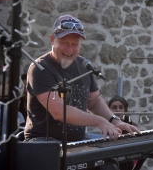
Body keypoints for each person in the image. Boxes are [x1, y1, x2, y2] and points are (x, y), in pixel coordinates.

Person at [24, 15, 140, 143]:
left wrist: (116, 121)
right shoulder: (40, 68)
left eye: (75, 44)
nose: (70, 49)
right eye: (64, 43)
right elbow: (58, 111)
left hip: (78, 141)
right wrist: (99, 121)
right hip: (44, 141)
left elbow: (95, 103)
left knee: (120, 145)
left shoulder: (84, 66)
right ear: (52, 40)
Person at [108, 95, 138, 170]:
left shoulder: (133, 126)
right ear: (109, 110)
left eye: (121, 107)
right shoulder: (107, 126)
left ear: (125, 110)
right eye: (114, 107)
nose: (118, 110)